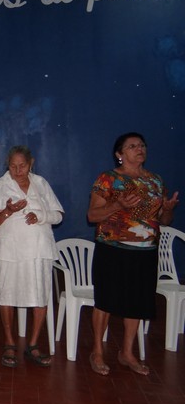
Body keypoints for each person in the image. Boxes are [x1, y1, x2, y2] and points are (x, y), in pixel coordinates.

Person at [87, 132, 178, 376]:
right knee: (105, 300)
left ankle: (126, 353)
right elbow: (92, 215)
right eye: (132, 146)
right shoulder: (108, 179)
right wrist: (119, 205)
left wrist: (168, 210)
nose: (140, 149)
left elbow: (164, 220)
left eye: (142, 145)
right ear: (120, 154)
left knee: (137, 302)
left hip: (146, 251)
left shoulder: (155, 181)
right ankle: (97, 351)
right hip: (113, 249)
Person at [0, 145, 64, 368]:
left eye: (22, 166)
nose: (18, 171)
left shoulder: (41, 183)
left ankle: (33, 344)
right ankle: (9, 343)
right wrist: (8, 211)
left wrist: (40, 216)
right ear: (7, 165)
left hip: (40, 249)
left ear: (31, 164)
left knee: (41, 295)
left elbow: (58, 215)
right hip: (11, 251)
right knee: (8, 296)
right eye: (13, 166)